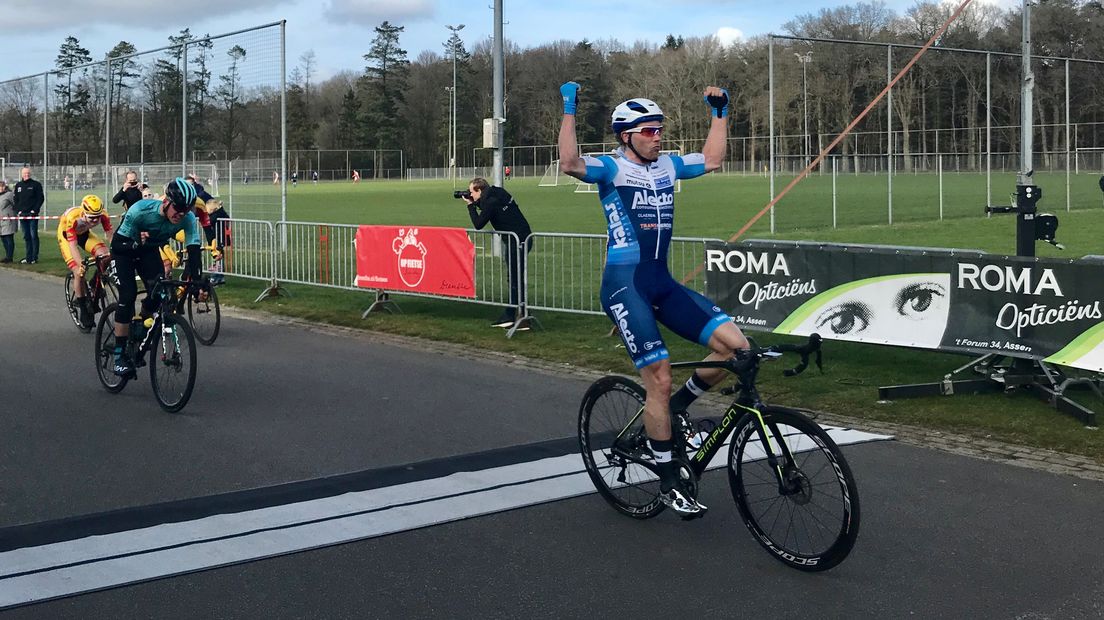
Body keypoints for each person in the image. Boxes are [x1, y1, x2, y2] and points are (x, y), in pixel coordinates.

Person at [557, 81, 749, 517]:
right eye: (648, 130)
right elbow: (569, 161)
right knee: (658, 379)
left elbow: (714, 159)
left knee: (737, 348)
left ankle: (677, 409)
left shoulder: (667, 167)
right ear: (626, 136)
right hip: (625, 285)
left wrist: (719, 114)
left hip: (661, 281)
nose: (657, 136)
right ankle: (666, 481)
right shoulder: (611, 169)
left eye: (660, 129)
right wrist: (570, 107)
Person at [108, 177, 203, 377]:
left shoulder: (187, 219)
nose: (182, 214)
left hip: (148, 252)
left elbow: (194, 250)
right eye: (178, 208)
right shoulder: (140, 210)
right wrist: (134, 245)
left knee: (161, 290)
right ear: (167, 202)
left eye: (187, 210)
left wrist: (197, 281)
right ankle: (118, 356)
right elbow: (116, 245)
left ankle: (142, 324)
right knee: (128, 295)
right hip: (124, 250)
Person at [462, 177, 533, 328]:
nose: (470, 195)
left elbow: (479, 224)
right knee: (515, 278)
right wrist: (477, 202)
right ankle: (521, 315)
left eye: (471, 192)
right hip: (522, 237)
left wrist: (470, 206)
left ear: (479, 190)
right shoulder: (497, 193)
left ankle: (513, 315)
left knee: (514, 279)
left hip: (516, 241)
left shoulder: (490, 202)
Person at [57, 195, 114, 328]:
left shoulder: (103, 215)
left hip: (85, 234)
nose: (95, 221)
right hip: (67, 238)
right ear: (84, 213)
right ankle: (82, 306)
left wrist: (116, 252)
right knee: (78, 271)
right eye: (91, 217)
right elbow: (72, 246)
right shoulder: (73, 218)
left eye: (97, 217)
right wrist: (79, 265)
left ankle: (95, 282)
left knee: (106, 255)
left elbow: (111, 236)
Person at [13, 167, 44, 264]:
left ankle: (34, 257)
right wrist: (18, 210)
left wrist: (34, 210)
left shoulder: (36, 185)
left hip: (32, 215)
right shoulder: (18, 185)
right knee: (26, 236)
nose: (26, 175)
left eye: (28, 173)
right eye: (24, 173)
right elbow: (16, 199)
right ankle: (28, 257)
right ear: (21, 174)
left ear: (30, 174)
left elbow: (40, 198)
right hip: (23, 215)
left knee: (33, 235)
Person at [0, 180, 16, 262]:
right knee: (3, 239)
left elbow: (15, 204)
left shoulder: (9, 195)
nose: (1, 188)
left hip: (8, 220)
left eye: (2, 186)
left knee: (9, 238)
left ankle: (10, 257)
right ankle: (7, 256)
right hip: (0, 222)